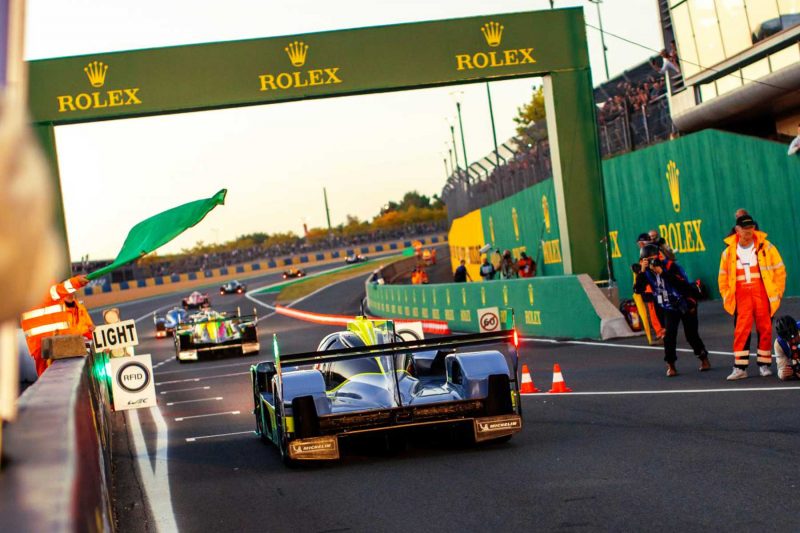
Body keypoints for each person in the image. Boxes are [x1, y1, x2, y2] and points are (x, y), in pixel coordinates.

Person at [718, 214, 786, 381]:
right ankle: (740, 368)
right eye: (745, 228)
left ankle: (764, 365)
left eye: (751, 228)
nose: (749, 232)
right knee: (741, 331)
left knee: (765, 328)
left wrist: (776, 292)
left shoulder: (766, 247)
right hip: (741, 296)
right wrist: (727, 295)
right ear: (737, 230)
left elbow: (779, 271)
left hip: (762, 293)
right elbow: (723, 277)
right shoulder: (728, 252)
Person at [634, 244, 709, 377]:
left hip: (685, 303)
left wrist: (662, 272)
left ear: (659, 256)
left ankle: (703, 358)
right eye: (648, 260)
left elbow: (683, 285)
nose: (652, 262)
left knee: (691, 335)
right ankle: (671, 365)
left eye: (654, 258)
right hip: (668, 307)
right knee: (668, 336)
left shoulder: (670, 266)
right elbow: (638, 290)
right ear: (642, 260)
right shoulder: (644, 272)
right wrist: (641, 272)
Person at [20, 275, 91, 375]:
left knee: (48, 378)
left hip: (46, 347)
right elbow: (60, 289)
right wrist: (77, 281)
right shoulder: (44, 291)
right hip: (51, 347)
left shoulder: (26, 296)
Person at [774, 315, 800, 380]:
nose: (793, 341)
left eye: (794, 336)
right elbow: (781, 368)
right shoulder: (779, 344)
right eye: (789, 339)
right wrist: (785, 373)